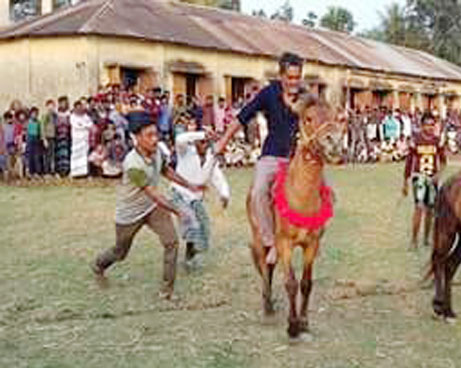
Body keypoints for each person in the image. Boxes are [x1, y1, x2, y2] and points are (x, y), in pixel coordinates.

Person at [91, 111, 203, 300]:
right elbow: (154, 193)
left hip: (152, 208)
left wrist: (189, 184)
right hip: (130, 213)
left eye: (156, 134)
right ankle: (98, 265)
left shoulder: (157, 151)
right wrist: (177, 211)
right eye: (149, 135)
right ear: (136, 138)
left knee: (171, 242)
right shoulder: (132, 164)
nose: (154, 139)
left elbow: (166, 170)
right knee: (120, 252)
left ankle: (167, 291)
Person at [221, 52, 303, 265]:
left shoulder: (305, 95)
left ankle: (310, 234)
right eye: (290, 77)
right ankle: (271, 241)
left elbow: (319, 115)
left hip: (296, 159)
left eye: (297, 77)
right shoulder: (268, 94)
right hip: (271, 156)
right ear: (282, 75)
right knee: (258, 192)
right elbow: (242, 116)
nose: (294, 82)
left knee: (322, 189)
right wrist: (223, 142)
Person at [171, 129, 232, 270]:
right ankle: (185, 258)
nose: (204, 144)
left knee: (204, 227)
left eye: (207, 142)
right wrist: (202, 134)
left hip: (196, 198)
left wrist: (224, 194)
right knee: (192, 223)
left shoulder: (211, 158)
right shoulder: (185, 151)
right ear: (196, 142)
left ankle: (189, 257)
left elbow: (217, 177)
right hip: (179, 193)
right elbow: (180, 139)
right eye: (202, 142)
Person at [403, 112, 446, 249]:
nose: (430, 127)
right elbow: (409, 162)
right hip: (419, 178)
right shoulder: (416, 140)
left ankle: (426, 238)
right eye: (427, 125)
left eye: (432, 125)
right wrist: (405, 182)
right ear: (421, 126)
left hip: (432, 179)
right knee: (419, 208)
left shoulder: (437, 141)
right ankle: (414, 240)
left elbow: (443, 161)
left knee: (430, 211)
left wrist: (438, 174)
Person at [55, 96, 72, 177]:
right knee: (59, 154)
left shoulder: (69, 113)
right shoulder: (56, 114)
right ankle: (59, 170)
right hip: (59, 136)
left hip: (67, 136)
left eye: (64, 103)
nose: (63, 104)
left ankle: (67, 170)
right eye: (61, 103)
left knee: (67, 153)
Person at [26, 107, 43, 178]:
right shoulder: (28, 122)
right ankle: (31, 171)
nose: (34, 115)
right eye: (33, 114)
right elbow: (26, 132)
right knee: (30, 157)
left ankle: (37, 172)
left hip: (36, 140)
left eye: (36, 114)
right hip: (30, 140)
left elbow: (40, 132)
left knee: (37, 157)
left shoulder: (38, 122)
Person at [41, 100, 57, 176]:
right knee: (47, 155)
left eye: (53, 106)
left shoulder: (54, 116)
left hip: (53, 137)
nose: (51, 107)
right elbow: (42, 127)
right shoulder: (45, 115)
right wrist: (44, 139)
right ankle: (46, 172)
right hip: (47, 137)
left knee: (52, 155)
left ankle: (51, 171)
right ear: (47, 106)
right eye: (50, 106)